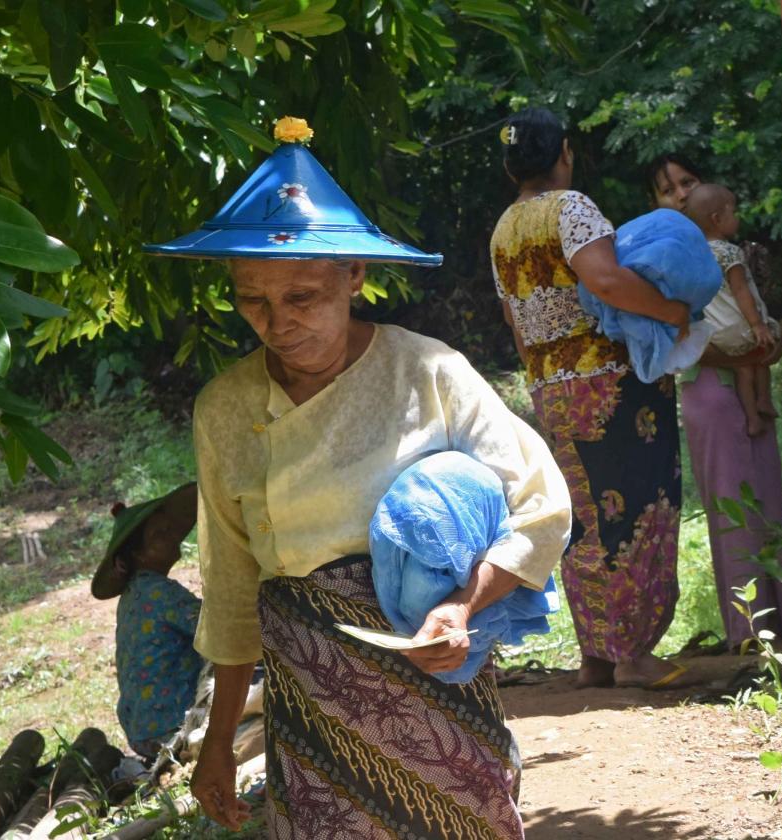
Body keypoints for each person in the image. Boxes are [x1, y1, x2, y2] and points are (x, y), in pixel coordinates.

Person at [145, 116, 572, 838]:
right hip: (309, 686)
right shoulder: (225, 409)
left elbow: (541, 505)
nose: (277, 322)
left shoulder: (427, 371)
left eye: (302, 297)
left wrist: (461, 606)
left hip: (430, 667)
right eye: (253, 300)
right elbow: (232, 586)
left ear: (355, 277)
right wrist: (217, 742)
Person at [490, 107, 691, 690]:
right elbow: (604, 279)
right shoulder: (571, 207)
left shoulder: (504, 228)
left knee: (585, 517)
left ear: (511, 166)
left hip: (550, 388)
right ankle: (635, 654)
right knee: (639, 507)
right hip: (611, 384)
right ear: (564, 153)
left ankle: (596, 657)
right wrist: (672, 312)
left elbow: (513, 317)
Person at [649, 156, 782, 653]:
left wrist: (769, 343)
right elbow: (674, 340)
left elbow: (754, 312)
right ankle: (751, 635)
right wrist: (746, 354)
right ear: (656, 203)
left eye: (688, 182)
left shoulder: (723, 252)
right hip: (710, 393)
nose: (680, 194)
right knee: (734, 516)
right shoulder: (661, 262)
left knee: (770, 508)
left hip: (746, 379)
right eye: (668, 189)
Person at [90, 483, 202, 760]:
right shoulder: (159, 593)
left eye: (169, 530)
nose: (171, 537)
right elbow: (216, 627)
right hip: (171, 727)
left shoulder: (133, 595)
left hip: (140, 731)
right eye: (159, 534)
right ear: (138, 554)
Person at [682, 183, 778, 435]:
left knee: (742, 369)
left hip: (716, 334)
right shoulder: (729, 252)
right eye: (733, 212)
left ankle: (752, 420)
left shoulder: (692, 255)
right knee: (764, 347)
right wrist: (757, 324)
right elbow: (741, 290)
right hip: (740, 328)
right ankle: (764, 399)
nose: (737, 218)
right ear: (717, 219)